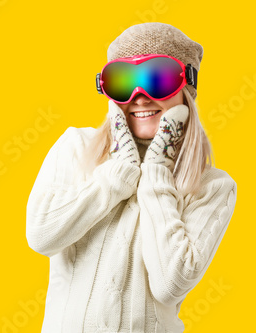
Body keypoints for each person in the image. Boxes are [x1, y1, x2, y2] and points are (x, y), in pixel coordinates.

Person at [25, 22, 237, 333]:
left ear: (186, 87)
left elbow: (170, 283)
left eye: (158, 79)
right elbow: (41, 236)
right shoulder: (76, 147)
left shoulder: (212, 186)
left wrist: (155, 173)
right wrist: (117, 176)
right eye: (123, 81)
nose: (139, 96)